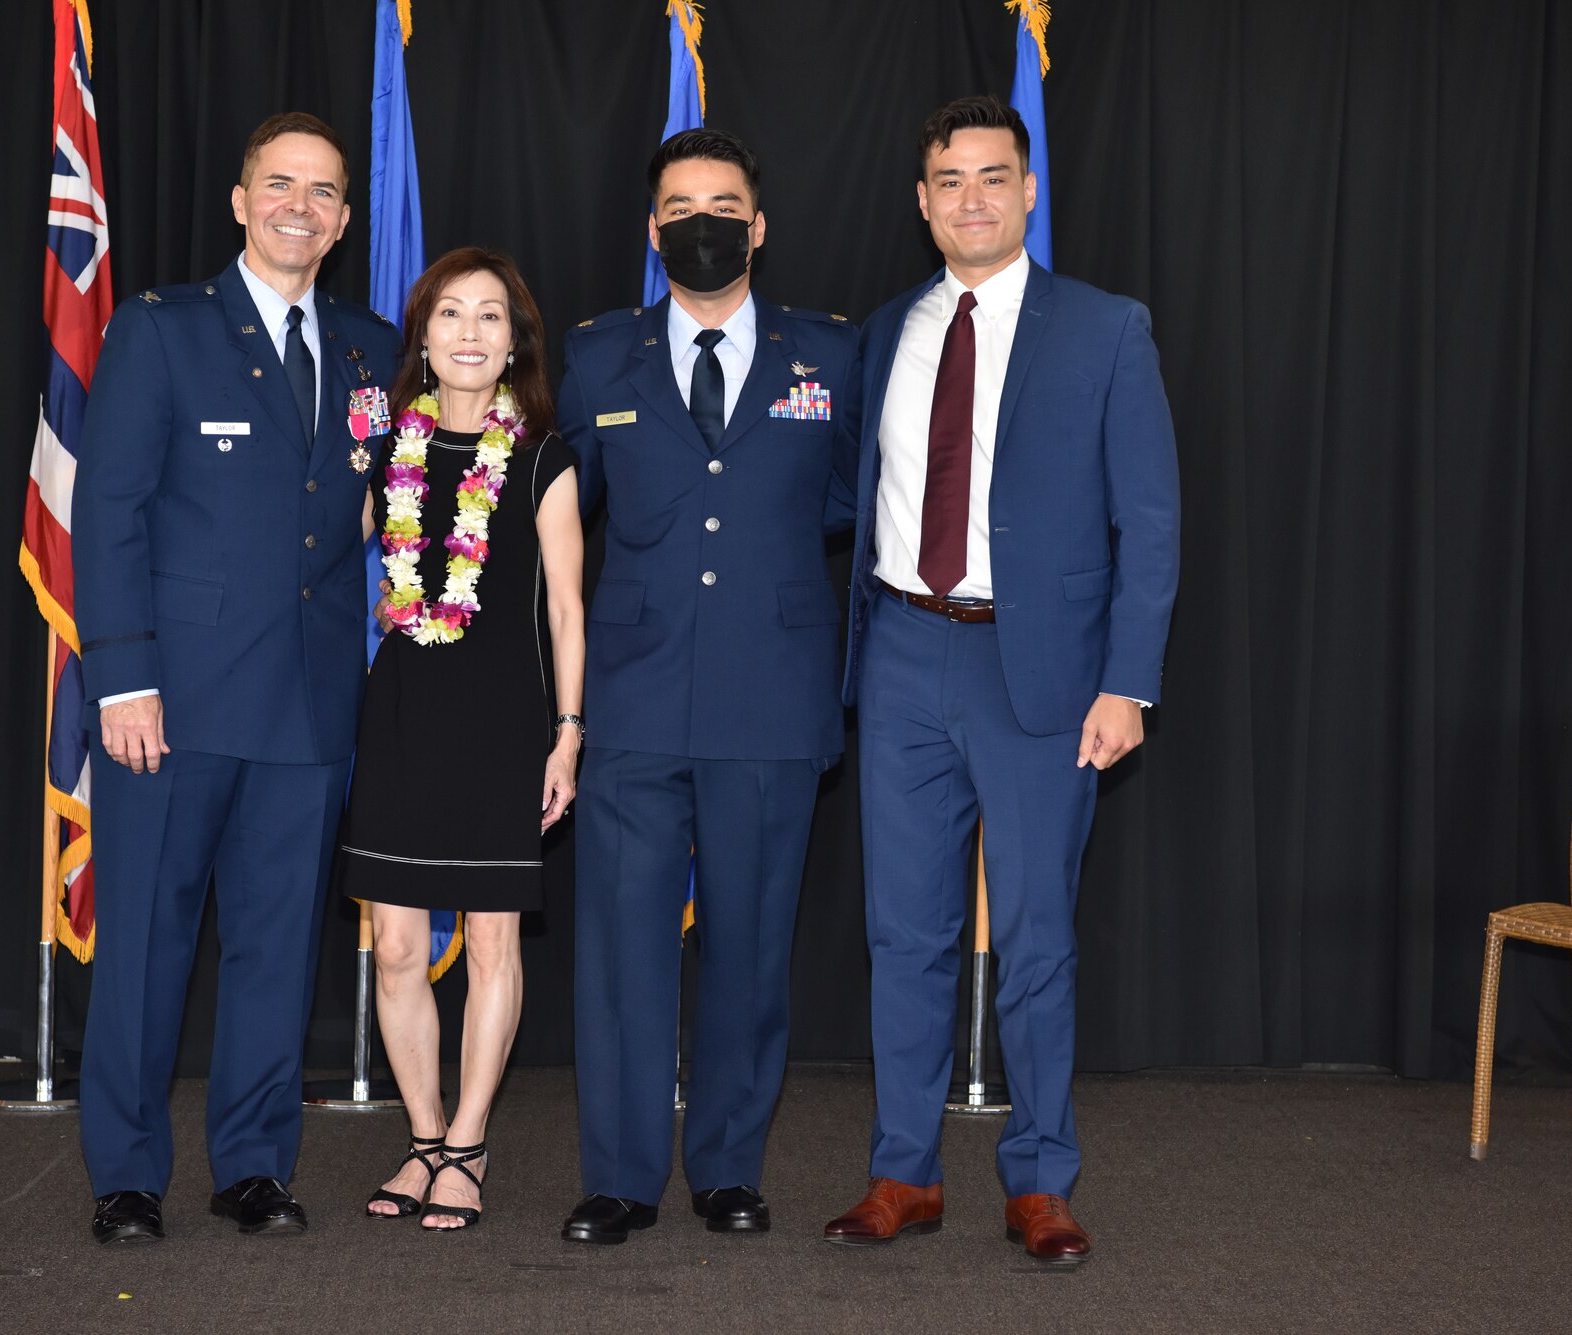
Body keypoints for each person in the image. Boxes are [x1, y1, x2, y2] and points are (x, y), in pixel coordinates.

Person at [821, 95, 1179, 1267]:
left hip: (1042, 674)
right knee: (904, 936)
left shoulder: (1105, 328)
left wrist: (1126, 682)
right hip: (903, 656)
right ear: (920, 202)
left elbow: (1151, 522)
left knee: (1032, 941)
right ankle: (902, 1174)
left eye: (991, 177)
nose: (970, 199)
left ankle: (1038, 1179)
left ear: (1028, 191)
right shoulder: (882, 333)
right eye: (947, 180)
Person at [72, 112, 401, 1245]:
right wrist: (120, 681)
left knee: (276, 945)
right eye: (278, 184)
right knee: (147, 946)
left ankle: (253, 1166)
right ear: (238, 199)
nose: (297, 207)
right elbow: (107, 509)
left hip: (309, 704)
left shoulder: (369, 344)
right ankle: (125, 1174)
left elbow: (375, 506)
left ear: (346, 218)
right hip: (174, 703)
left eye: (320, 191)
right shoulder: (162, 330)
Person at [555, 128, 860, 1244]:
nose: (702, 223)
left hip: (773, 696)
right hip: (631, 697)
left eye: (723, 204)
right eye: (680, 206)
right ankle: (621, 1178)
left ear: (759, 225)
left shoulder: (831, 355)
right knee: (623, 949)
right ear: (651, 230)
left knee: (748, 947)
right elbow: (557, 518)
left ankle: (728, 1166)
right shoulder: (597, 358)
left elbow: (850, 502)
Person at [334, 248, 583, 1231]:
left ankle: (470, 1144)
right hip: (399, 714)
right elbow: (324, 551)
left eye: (491, 317)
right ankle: (426, 1136)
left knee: (489, 945)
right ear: (422, 336)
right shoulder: (385, 449)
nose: (471, 334)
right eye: (450, 315)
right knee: (395, 947)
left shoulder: (542, 457)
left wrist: (567, 736)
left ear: (516, 341)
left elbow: (567, 607)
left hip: (505, 721)